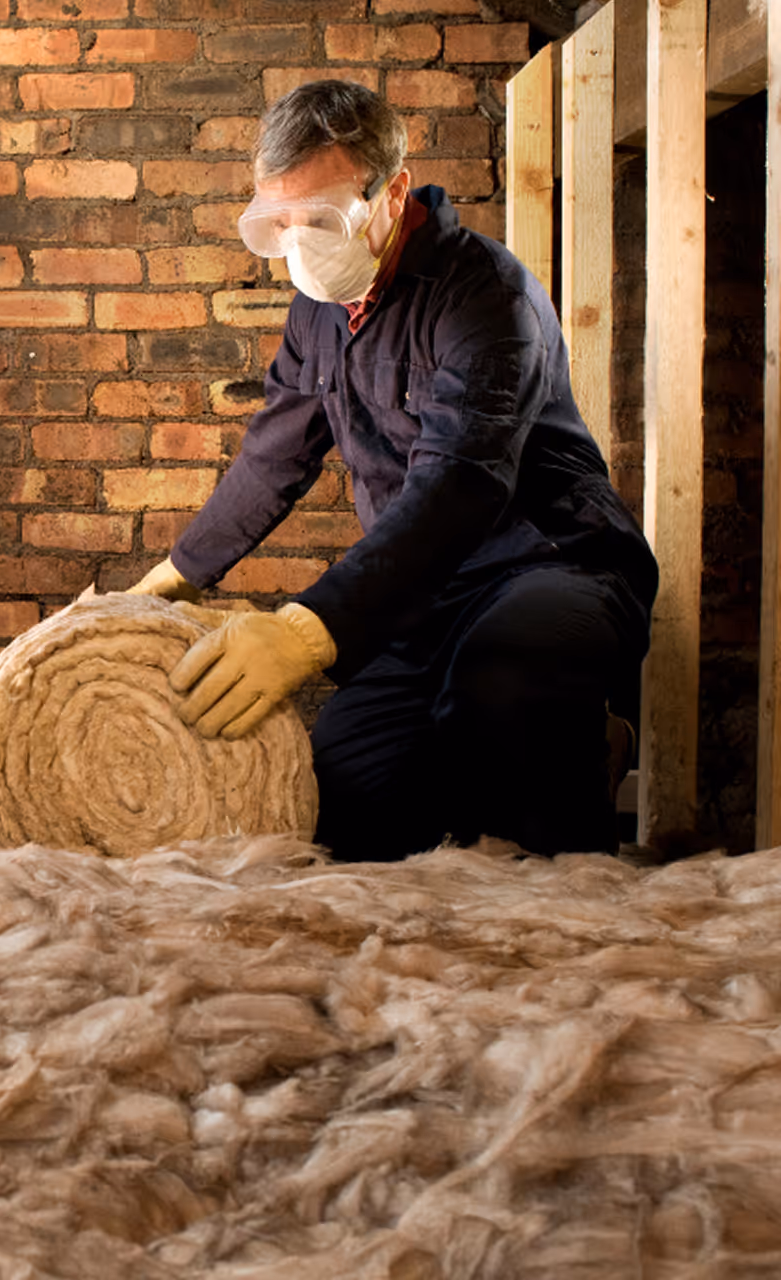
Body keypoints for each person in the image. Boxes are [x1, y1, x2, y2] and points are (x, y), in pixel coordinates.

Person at [128, 79, 658, 861]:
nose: (301, 244)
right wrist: (171, 579)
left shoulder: (486, 296)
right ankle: (510, 752)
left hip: (549, 566)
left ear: (392, 191)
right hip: (421, 597)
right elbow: (277, 451)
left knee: (502, 690)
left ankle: (586, 741)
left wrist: (307, 633)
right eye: (278, 224)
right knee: (349, 798)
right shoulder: (317, 307)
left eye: (323, 218)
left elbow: (460, 487)